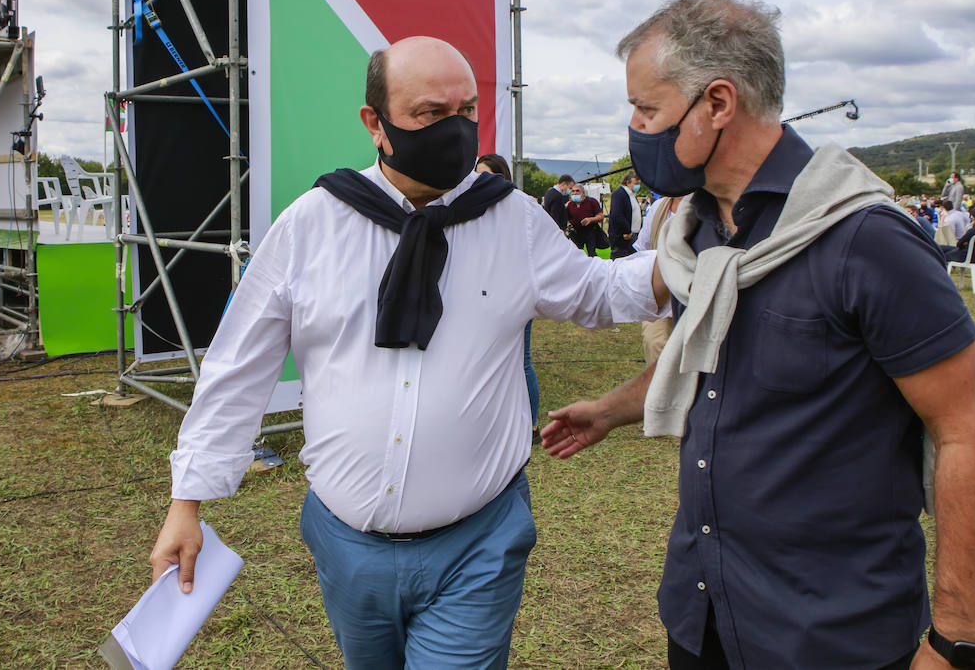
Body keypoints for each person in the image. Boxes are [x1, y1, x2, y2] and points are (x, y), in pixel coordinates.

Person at [150, 36, 667, 669]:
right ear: (376, 123)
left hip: (479, 541)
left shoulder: (513, 219)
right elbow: (237, 368)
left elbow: (596, 291)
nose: (455, 129)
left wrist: (696, 261)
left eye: (468, 111)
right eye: (430, 114)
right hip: (347, 545)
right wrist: (187, 502)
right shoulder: (311, 224)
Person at [541, 0, 975, 670]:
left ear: (718, 103)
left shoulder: (867, 239)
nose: (636, 129)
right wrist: (611, 409)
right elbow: (711, 360)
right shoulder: (698, 229)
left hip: (829, 634)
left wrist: (956, 640)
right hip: (704, 615)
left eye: (647, 108)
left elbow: (968, 432)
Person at [475, 153, 541, 438]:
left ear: (503, 178)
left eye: (486, 175)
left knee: (521, 361)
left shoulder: (520, 211)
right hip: (485, 298)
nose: (479, 181)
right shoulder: (477, 210)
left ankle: (533, 425)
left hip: (514, 296)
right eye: (476, 175)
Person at [609, 171, 643, 258]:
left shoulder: (632, 195)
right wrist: (627, 230)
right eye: (635, 183)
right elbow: (617, 215)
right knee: (620, 261)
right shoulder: (619, 194)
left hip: (634, 236)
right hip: (623, 236)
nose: (637, 186)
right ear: (628, 182)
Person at [566, 184, 605, 256]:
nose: (574, 193)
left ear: (583, 193)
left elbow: (600, 216)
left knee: (592, 253)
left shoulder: (592, 201)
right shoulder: (569, 204)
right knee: (576, 254)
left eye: (577, 191)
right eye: (573, 191)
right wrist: (569, 225)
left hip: (590, 231)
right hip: (576, 233)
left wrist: (590, 219)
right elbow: (567, 219)